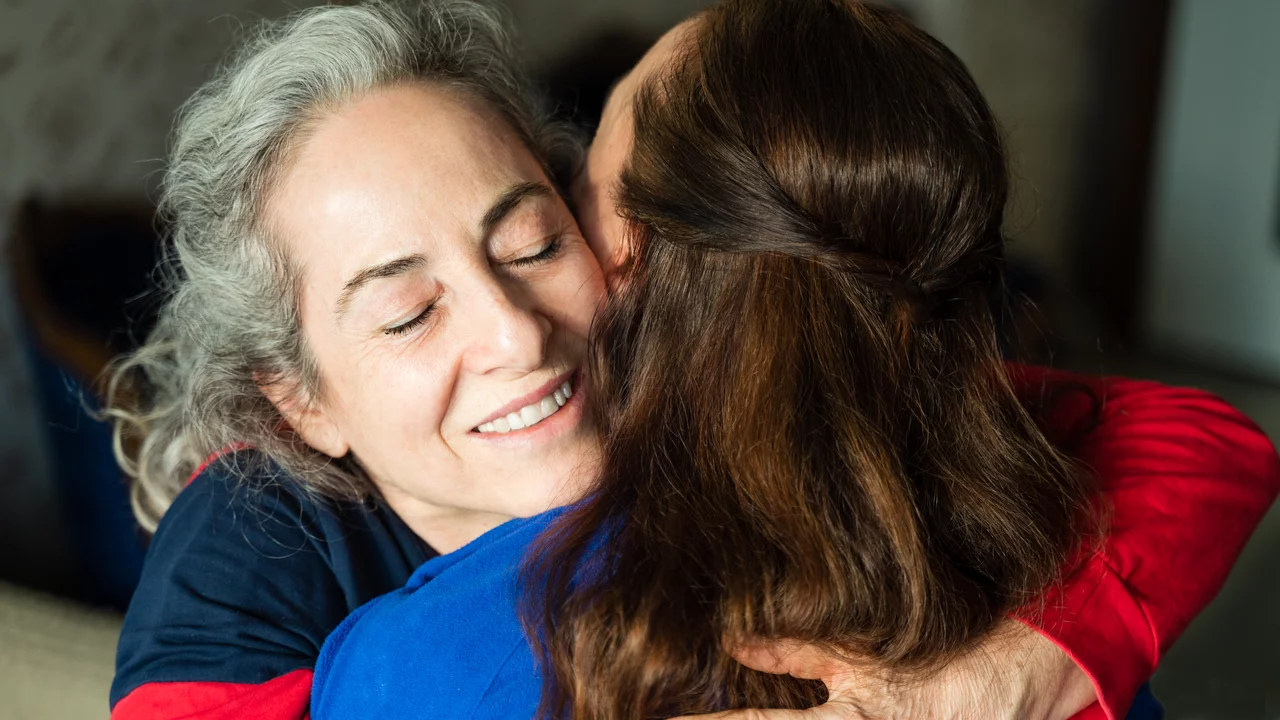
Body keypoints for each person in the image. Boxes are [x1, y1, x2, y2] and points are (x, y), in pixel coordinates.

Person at [107, 2, 1280, 720]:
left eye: (535, 241)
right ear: (298, 401)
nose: (514, 331)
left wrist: (1011, 667)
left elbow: (1207, 441)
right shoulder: (255, 548)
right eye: (409, 313)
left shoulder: (759, 406)